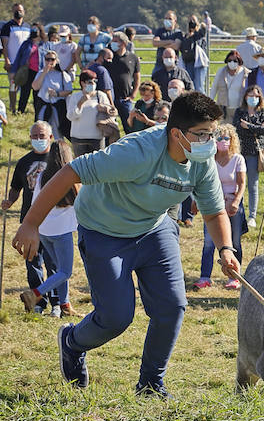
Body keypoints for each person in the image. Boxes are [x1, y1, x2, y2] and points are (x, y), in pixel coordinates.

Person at [13, 91, 239, 397]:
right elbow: (70, 172)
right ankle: (72, 342)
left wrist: (226, 249)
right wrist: (30, 224)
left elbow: (214, 213)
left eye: (212, 134)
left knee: (172, 307)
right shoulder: (136, 152)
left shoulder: (202, 162)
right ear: (176, 133)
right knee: (115, 318)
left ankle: (151, 384)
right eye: (202, 134)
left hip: (154, 228)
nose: (210, 142)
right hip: (104, 230)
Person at [4, 121, 58, 313]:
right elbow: (16, 188)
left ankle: (57, 302)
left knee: (53, 263)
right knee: (32, 263)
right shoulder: (24, 162)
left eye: (42, 136)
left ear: (50, 137)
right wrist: (10, 201)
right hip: (29, 221)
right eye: (34, 136)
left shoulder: (57, 160)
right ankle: (38, 302)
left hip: (52, 219)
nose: (38, 139)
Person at [22, 139, 79, 318]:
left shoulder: (42, 176)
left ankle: (65, 305)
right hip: (62, 231)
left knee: (60, 270)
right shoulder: (72, 177)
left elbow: (35, 201)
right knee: (65, 271)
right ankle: (35, 294)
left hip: (44, 230)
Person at [192, 124, 246, 291]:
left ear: (232, 140)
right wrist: (196, 201)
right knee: (209, 242)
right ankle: (205, 277)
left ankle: (234, 277)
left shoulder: (238, 159)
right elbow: (200, 182)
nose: (223, 141)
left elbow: (242, 184)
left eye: (226, 138)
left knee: (234, 241)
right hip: (213, 203)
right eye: (219, 138)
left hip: (232, 203)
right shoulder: (210, 159)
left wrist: (236, 201)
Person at [232, 86, 264, 229]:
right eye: (250, 95)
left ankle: (252, 216)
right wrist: (255, 128)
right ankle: (238, 211)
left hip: (255, 152)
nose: (253, 98)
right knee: (238, 183)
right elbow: (236, 128)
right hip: (240, 152)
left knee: (253, 185)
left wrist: (248, 126)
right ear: (245, 96)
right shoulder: (239, 111)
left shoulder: (262, 112)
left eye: (256, 95)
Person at [66, 69, 115, 156]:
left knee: (97, 163)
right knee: (80, 163)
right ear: (82, 83)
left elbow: (112, 114)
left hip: (97, 138)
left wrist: (105, 109)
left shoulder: (101, 95)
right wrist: (80, 103)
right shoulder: (75, 96)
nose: (93, 84)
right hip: (78, 138)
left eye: (95, 81)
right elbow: (70, 117)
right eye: (90, 82)